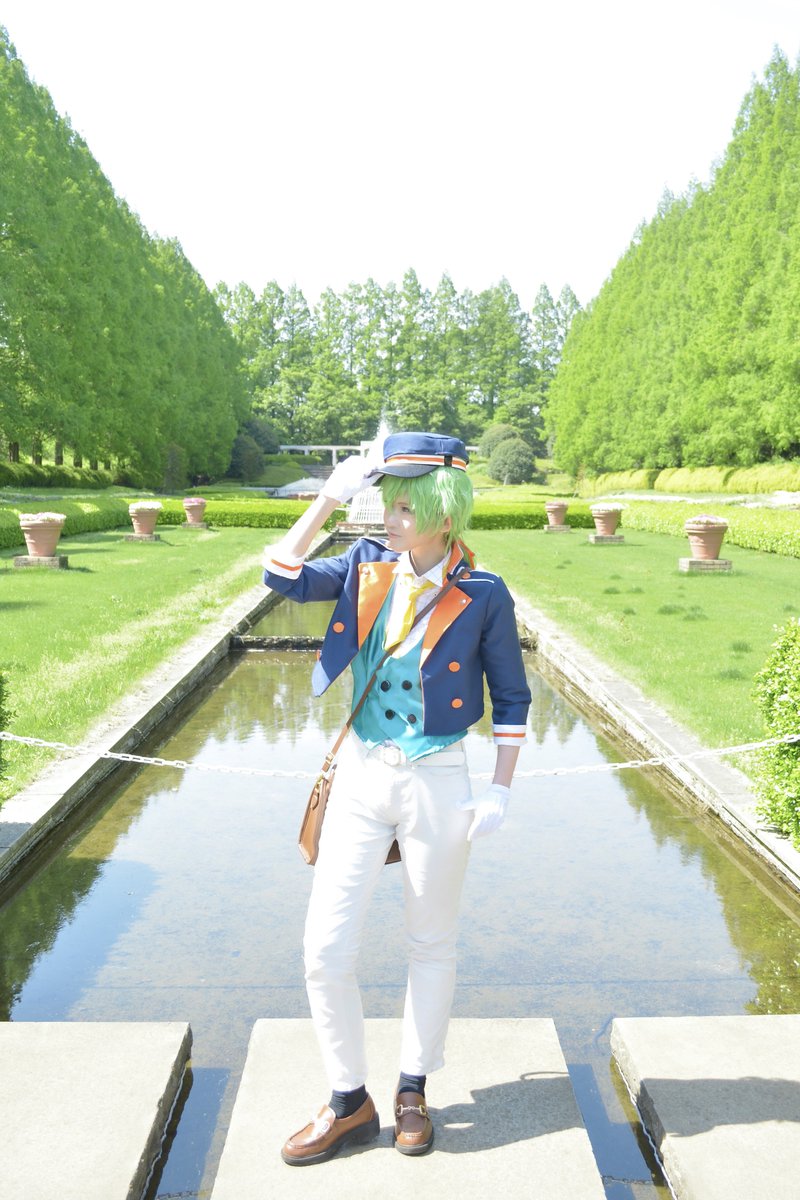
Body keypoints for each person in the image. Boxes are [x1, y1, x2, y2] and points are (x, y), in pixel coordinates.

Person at [262, 430, 531, 1166]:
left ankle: (413, 1088)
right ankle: (347, 1099)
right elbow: (280, 573)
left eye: (406, 506)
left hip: (438, 777)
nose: (391, 517)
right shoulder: (363, 565)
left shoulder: (484, 593)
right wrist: (327, 498)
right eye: (389, 502)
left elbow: (512, 698)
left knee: (430, 941)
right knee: (324, 948)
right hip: (359, 773)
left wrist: (500, 788)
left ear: (445, 512)